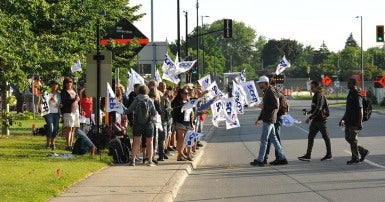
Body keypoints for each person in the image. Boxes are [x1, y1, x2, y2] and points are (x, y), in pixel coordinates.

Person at [250, 75, 288, 167]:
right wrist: (260, 117)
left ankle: (260, 159)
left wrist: (264, 107)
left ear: (265, 83)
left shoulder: (270, 91)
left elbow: (275, 105)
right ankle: (282, 157)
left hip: (269, 119)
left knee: (264, 140)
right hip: (269, 118)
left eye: (260, 83)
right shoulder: (267, 91)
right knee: (274, 139)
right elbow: (267, 107)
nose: (259, 84)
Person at [298, 80, 332, 161]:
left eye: (312, 87)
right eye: (311, 87)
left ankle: (329, 154)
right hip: (316, 120)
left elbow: (319, 108)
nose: (311, 89)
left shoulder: (320, 95)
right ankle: (308, 155)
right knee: (310, 136)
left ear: (317, 87)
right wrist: (308, 112)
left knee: (325, 137)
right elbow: (314, 108)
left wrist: (310, 117)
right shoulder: (316, 95)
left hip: (321, 120)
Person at [125, 85, 157, 166]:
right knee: (150, 142)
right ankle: (150, 160)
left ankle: (132, 161)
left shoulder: (136, 100)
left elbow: (128, 111)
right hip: (148, 123)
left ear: (139, 91)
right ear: (147, 92)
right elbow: (154, 113)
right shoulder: (149, 100)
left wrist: (122, 107)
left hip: (137, 123)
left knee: (136, 141)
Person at [339, 78, 369, 165]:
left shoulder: (357, 95)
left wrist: (359, 122)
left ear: (354, 84)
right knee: (348, 138)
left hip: (355, 122)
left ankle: (355, 158)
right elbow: (348, 110)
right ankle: (363, 151)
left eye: (349, 83)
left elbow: (361, 109)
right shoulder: (350, 94)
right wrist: (342, 119)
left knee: (353, 140)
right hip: (349, 121)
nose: (347, 84)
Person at [264, 78, 288, 164]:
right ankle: (265, 157)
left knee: (275, 138)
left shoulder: (275, 93)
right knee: (271, 138)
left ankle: (280, 158)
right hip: (277, 117)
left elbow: (275, 105)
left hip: (276, 118)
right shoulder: (279, 93)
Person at [171, 88, 193, 161]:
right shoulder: (177, 102)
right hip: (180, 122)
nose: (187, 95)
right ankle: (180, 154)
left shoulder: (189, 101)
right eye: (185, 93)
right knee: (181, 138)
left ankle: (189, 153)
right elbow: (174, 106)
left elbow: (192, 110)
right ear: (181, 94)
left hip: (188, 122)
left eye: (187, 93)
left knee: (189, 138)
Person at [61, 77, 80, 151]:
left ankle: (71, 144)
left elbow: (77, 101)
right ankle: (68, 145)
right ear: (65, 84)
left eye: (70, 82)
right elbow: (65, 102)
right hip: (69, 111)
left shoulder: (74, 90)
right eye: (67, 82)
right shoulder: (64, 92)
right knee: (69, 128)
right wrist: (73, 100)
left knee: (73, 128)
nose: (69, 84)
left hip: (76, 111)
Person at [43, 80, 61, 150]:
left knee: (56, 128)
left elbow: (61, 104)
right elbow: (44, 102)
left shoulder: (59, 94)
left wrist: (60, 105)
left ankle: (52, 143)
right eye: (53, 85)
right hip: (49, 113)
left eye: (56, 85)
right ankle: (48, 143)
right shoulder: (47, 93)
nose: (55, 86)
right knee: (51, 127)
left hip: (56, 113)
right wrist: (50, 99)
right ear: (50, 86)